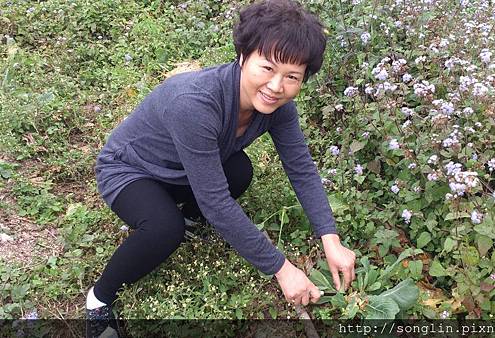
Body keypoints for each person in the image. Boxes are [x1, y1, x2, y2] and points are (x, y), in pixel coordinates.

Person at [86, 0, 356, 337]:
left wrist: (331, 239)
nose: (276, 86)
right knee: (163, 228)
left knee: (239, 171)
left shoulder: (278, 107)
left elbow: (300, 167)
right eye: (267, 68)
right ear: (243, 55)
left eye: (292, 77)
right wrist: (281, 268)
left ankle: (184, 219)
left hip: (182, 171)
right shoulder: (195, 103)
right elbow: (215, 201)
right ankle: (99, 299)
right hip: (131, 171)